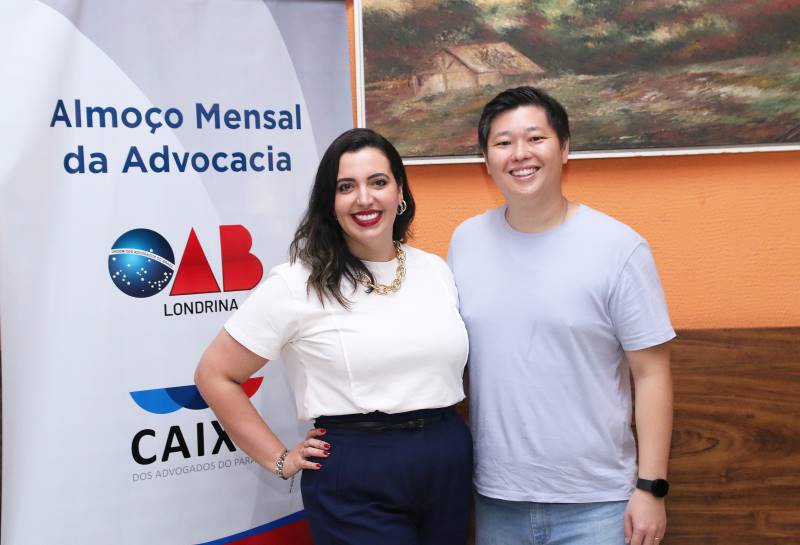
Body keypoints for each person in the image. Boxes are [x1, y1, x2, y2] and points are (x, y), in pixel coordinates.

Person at [195, 128, 472, 545]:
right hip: (357, 471)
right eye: (346, 187)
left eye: (378, 182)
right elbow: (214, 374)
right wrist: (280, 459)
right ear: (330, 202)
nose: (364, 198)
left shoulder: (435, 270)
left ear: (400, 192)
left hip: (446, 457)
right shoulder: (296, 283)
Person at [448, 87, 675, 545]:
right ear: (486, 160)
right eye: (503, 142)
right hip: (497, 499)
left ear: (565, 148)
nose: (520, 154)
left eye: (536, 138)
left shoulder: (618, 247)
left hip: (599, 504)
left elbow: (651, 373)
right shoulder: (466, 242)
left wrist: (651, 488)